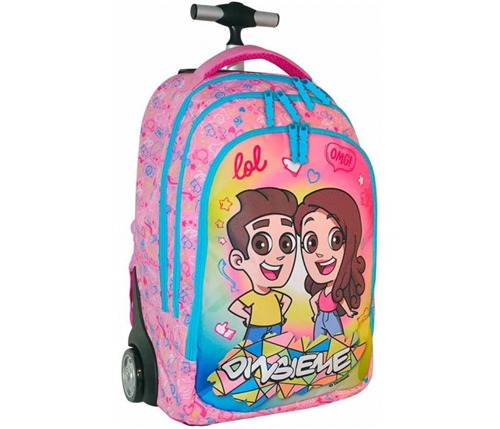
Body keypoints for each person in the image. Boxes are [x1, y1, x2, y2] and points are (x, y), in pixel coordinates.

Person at [227, 187, 297, 343]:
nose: (278, 255)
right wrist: (248, 317)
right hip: (256, 327)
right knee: (250, 350)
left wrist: (281, 314)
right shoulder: (252, 297)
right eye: (261, 244)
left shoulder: (275, 295)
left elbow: (287, 300)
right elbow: (234, 307)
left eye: (286, 244)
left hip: (276, 325)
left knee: (275, 349)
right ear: (238, 260)